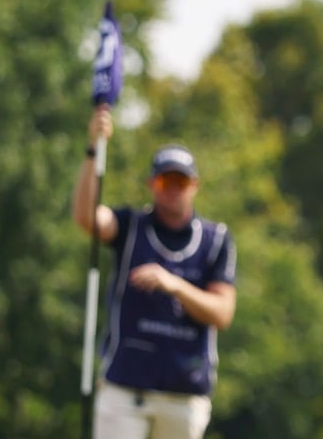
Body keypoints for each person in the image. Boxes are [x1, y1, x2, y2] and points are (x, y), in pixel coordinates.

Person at [73, 105, 237, 439]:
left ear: (195, 185)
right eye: (165, 180)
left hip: (183, 397)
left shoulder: (216, 240)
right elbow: (87, 217)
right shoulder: (130, 226)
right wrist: (94, 148)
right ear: (152, 183)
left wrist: (174, 285)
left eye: (181, 181)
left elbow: (222, 313)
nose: (173, 188)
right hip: (124, 389)